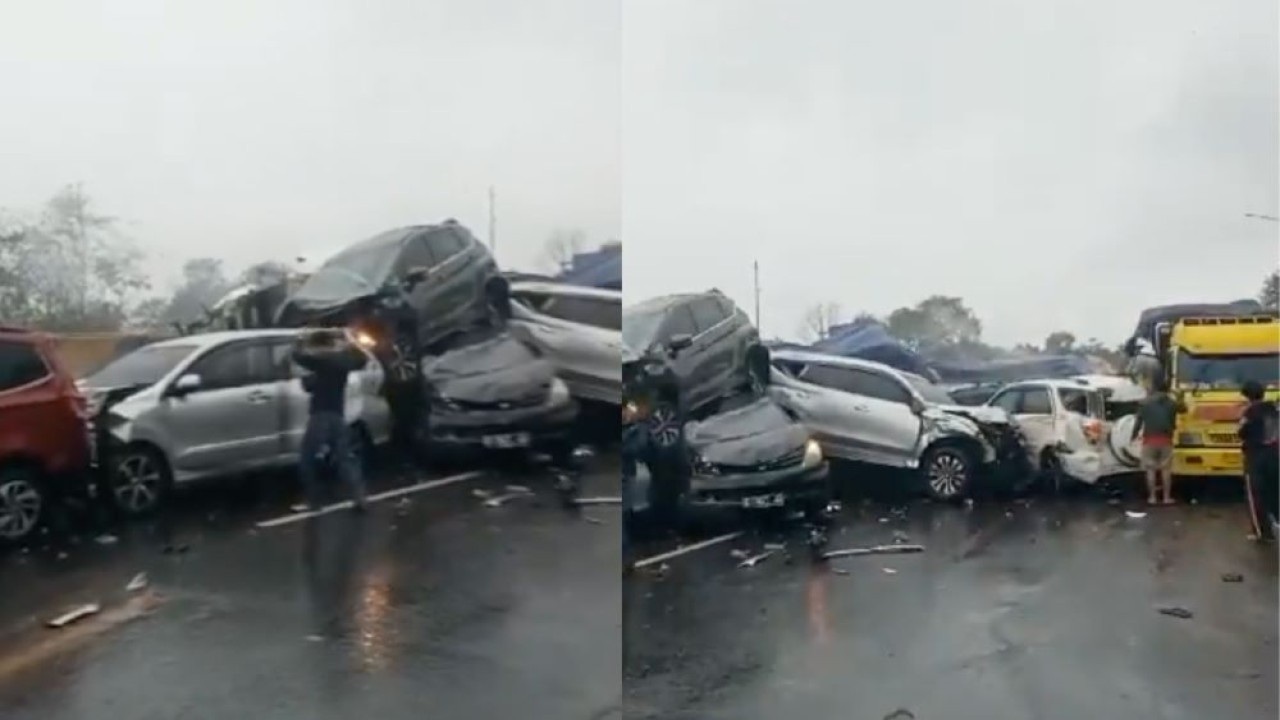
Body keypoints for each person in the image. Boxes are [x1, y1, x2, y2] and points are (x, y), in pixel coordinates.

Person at [292, 328, 369, 512]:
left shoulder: (323, 361)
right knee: (345, 459)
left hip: (321, 415)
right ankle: (359, 498)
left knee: (307, 459)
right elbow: (362, 359)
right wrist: (351, 342)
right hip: (337, 415)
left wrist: (300, 341)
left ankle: (313, 501)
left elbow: (298, 357)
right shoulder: (342, 361)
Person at [1130, 377, 1185, 505]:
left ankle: (1152, 497)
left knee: (1151, 469)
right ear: (1167, 390)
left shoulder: (1145, 403)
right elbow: (1184, 409)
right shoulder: (1171, 403)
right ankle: (1166, 498)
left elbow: (1138, 422)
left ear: (1154, 389)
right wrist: (1180, 397)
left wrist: (1133, 436)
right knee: (1166, 470)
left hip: (1149, 439)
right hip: (1166, 440)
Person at [1238, 380, 1278, 541]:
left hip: (1255, 456)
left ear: (1247, 396)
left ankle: (1262, 532)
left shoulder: (1249, 412)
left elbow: (1241, 432)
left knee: (1255, 495)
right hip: (1274, 454)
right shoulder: (1273, 409)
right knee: (1274, 491)